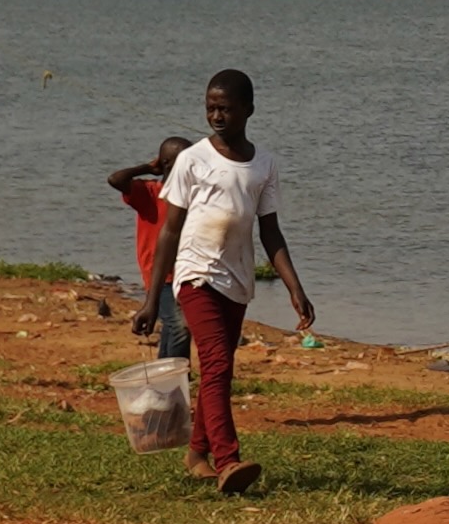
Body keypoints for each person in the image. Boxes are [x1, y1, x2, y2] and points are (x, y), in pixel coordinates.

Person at [135, 69, 313, 495]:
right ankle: (228, 459)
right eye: (210, 107)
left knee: (219, 368)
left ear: (248, 110)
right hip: (196, 275)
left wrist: (294, 287)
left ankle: (196, 452)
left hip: (237, 279)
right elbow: (169, 231)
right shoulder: (193, 159)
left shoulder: (264, 164)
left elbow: (270, 233)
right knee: (217, 365)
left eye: (225, 108)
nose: (216, 115)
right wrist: (150, 299)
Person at [108, 135, 195, 368]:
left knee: (171, 327)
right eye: (185, 161)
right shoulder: (149, 192)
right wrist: (148, 167)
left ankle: (165, 378)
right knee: (180, 326)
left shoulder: (193, 195)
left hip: (187, 273)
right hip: (160, 276)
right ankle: (175, 380)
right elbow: (116, 179)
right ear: (166, 164)